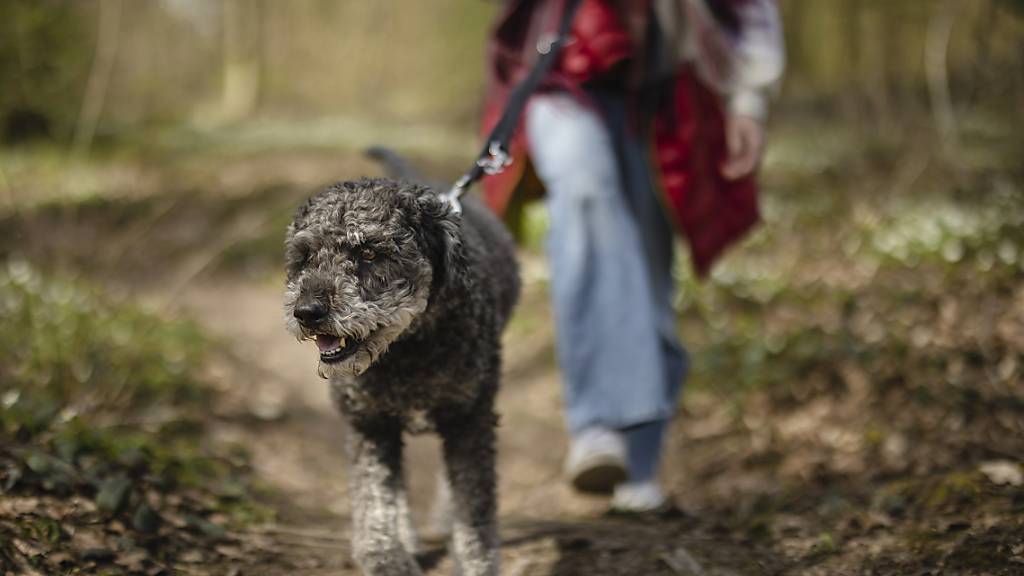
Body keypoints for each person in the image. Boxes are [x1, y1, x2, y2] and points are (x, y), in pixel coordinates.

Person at [480, 0, 785, 514]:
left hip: (664, 90)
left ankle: (638, 466)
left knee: (646, 273)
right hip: (561, 77)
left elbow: (749, 10)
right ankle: (597, 425)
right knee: (584, 198)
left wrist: (746, 101)